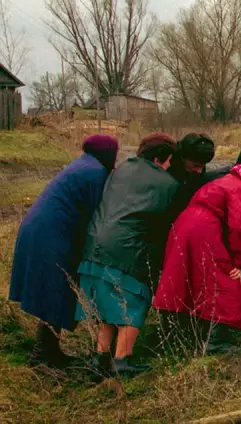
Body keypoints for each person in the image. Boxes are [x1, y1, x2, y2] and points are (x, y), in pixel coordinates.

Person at [8, 135, 119, 368]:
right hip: (52, 234)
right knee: (55, 290)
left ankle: (48, 349)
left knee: (53, 290)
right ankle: (43, 354)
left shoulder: (83, 164)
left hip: (40, 228)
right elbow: (95, 214)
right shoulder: (95, 173)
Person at [75, 133, 179, 377]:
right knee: (134, 301)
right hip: (126, 248)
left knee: (105, 303)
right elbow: (166, 219)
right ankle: (122, 361)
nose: (169, 166)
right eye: (169, 161)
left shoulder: (121, 169)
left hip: (95, 241)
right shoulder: (167, 183)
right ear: (159, 159)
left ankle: (100, 358)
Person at [153, 141, 241, 354]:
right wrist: (238, 263)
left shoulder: (223, 180)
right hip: (203, 230)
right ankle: (217, 343)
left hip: (183, 226)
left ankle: (175, 337)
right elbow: (239, 227)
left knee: (183, 279)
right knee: (226, 281)